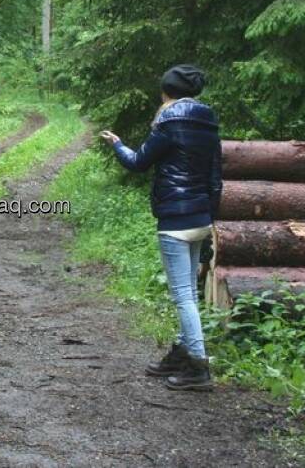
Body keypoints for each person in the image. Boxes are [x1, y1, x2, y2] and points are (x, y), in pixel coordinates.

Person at [100, 64, 222, 391]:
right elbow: (215, 177)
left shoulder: (168, 121)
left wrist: (117, 145)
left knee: (183, 295)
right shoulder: (208, 122)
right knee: (190, 293)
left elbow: (138, 162)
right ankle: (182, 352)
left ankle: (198, 365)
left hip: (175, 219)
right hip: (200, 218)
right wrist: (212, 219)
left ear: (166, 92)